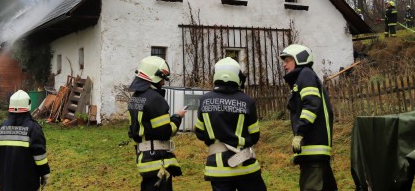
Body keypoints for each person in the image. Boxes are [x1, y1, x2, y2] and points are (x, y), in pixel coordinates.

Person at [195, 57, 267, 191]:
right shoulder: (247, 101)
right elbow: (255, 135)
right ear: (237, 76)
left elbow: (199, 133)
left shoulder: (204, 100)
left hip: (217, 169)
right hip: (245, 166)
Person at [280, 44, 337, 191]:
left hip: (313, 146)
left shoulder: (305, 75)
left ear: (299, 59)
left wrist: (300, 132)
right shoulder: (304, 76)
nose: (284, 65)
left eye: (287, 60)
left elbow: (311, 104)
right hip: (315, 148)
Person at [128, 56, 186, 191]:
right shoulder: (155, 99)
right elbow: (165, 132)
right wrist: (177, 117)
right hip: (158, 160)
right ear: (155, 76)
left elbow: (133, 130)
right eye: (162, 79)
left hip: (144, 159)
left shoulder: (134, 99)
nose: (163, 83)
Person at [0, 90, 50, 191]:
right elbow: (39, 155)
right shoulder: (33, 128)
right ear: (28, 105)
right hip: (28, 184)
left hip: (6, 184)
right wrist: (45, 173)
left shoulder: (1, 128)